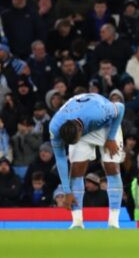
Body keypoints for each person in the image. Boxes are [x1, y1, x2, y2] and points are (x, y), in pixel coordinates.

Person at [48, 93, 125, 229]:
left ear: (80, 130)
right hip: (79, 122)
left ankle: (114, 222)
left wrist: (111, 137)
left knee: (111, 166)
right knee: (76, 168)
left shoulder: (98, 112)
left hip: (106, 125)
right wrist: (67, 191)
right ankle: (77, 222)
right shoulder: (55, 127)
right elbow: (60, 159)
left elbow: (120, 107)